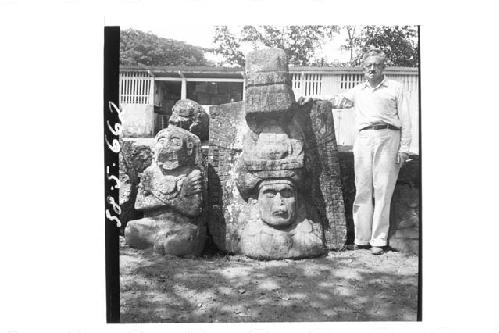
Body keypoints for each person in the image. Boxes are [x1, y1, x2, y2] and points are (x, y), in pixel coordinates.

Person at [330, 48, 411, 255]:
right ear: (363, 69)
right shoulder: (358, 91)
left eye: (376, 65)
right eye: (368, 66)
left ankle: (379, 240)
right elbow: (337, 101)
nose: (372, 68)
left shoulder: (396, 88)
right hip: (364, 139)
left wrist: (404, 148)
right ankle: (362, 239)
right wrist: (313, 100)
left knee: (383, 190)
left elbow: (407, 120)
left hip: (388, 137)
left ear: (383, 67)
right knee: (363, 189)